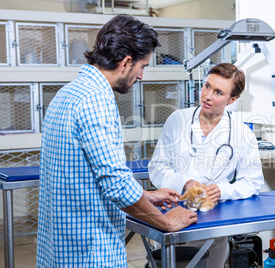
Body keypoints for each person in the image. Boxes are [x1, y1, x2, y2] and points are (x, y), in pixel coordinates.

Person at [36, 15, 197, 267]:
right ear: (125, 62)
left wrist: (145, 194)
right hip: (89, 251)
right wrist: (166, 221)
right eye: (142, 67)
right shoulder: (96, 101)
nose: (141, 76)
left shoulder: (67, 94)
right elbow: (116, 184)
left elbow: (83, 176)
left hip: (59, 246)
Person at [148, 63, 264, 267]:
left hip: (213, 227)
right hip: (172, 219)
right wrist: (185, 183)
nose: (207, 95)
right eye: (207, 86)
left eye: (218, 92)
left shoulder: (242, 133)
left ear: (232, 99)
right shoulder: (178, 120)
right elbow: (157, 168)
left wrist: (221, 190)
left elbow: (252, 182)